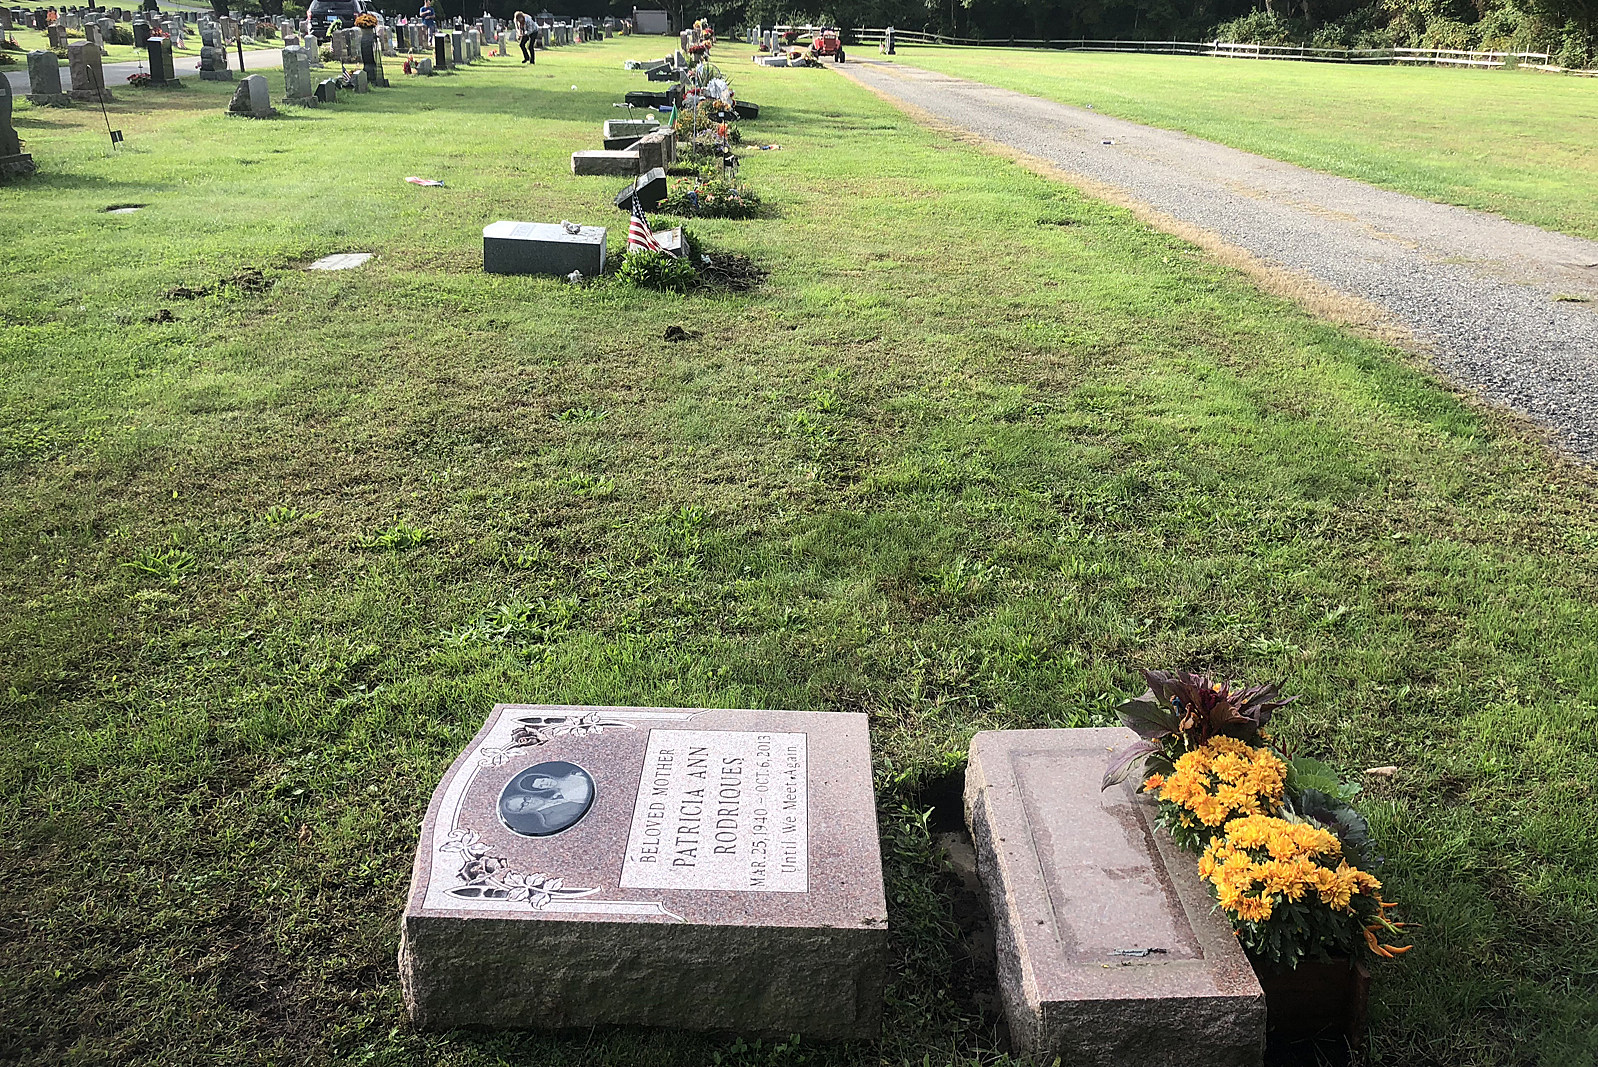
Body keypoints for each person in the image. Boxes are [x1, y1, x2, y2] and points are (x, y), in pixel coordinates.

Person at [498, 763, 593, 837]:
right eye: (523, 805)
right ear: (523, 811)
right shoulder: (551, 820)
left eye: (526, 798)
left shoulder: (562, 790)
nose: (529, 801)